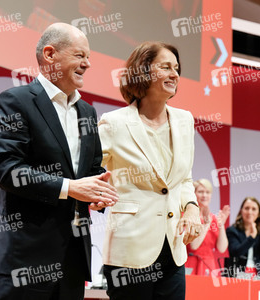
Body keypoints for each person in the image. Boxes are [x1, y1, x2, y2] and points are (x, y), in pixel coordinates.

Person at [0, 23, 118, 300]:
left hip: (73, 259)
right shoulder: (15, 101)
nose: (88, 64)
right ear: (49, 54)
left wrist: (99, 191)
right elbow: (8, 170)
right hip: (25, 260)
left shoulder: (87, 112)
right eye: (80, 55)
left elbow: (91, 170)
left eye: (89, 57)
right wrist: (70, 188)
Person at [98, 41, 202, 300]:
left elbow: (184, 179)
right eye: (165, 67)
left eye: (176, 68)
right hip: (129, 251)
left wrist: (191, 208)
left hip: (174, 251)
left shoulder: (185, 120)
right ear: (143, 72)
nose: (174, 74)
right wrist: (96, 194)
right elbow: (87, 173)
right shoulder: (114, 123)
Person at [185, 179, 230, 276]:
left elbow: (222, 249)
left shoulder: (214, 218)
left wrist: (221, 225)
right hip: (190, 263)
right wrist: (206, 224)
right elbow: (194, 246)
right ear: (194, 194)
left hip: (208, 265)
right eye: (200, 192)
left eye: (207, 192)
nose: (204, 195)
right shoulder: (188, 216)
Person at [226, 197, 260, 278]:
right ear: (241, 210)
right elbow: (236, 252)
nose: (250, 212)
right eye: (247, 208)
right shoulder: (232, 230)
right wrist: (252, 237)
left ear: (259, 213)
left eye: (254, 209)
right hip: (238, 274)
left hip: (258, 274)